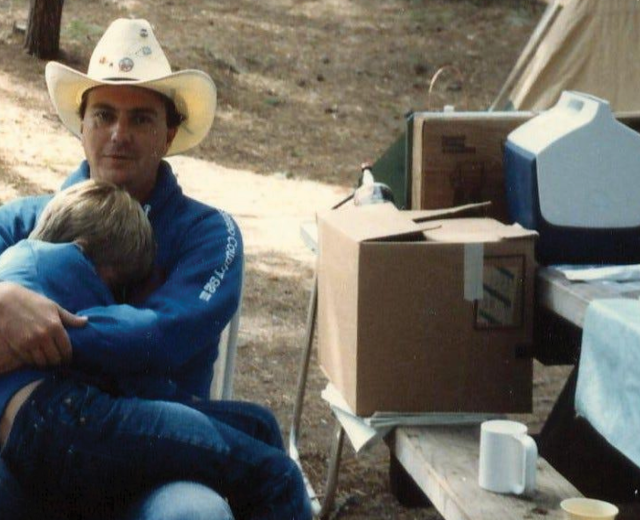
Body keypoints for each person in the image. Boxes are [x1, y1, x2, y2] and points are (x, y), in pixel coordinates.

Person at [0, 18, 310, 520]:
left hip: (161, 470)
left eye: (141, 119)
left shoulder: (208, 232)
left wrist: (32, 330)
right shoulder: (24, 220)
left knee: (194, 513)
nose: (118, 134)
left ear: (168, 135)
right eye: (103, 115)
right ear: (81, 126)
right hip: (29, 453)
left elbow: (162, 334)